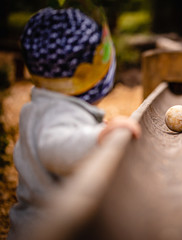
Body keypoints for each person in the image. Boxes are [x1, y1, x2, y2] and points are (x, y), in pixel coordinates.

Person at [8, 7, 141, 240]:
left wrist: (94, 131)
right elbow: (55, 147)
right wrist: (98, 139)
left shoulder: (39, 108)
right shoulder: (59, 114)